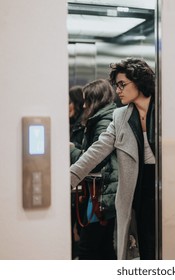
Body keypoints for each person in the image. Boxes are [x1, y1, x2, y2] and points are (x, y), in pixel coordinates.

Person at [70, 57, 156, 260]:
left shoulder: (165, 111)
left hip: (164, 188)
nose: (118, 90)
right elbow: (97, 149)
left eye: (122, 84)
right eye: (116, 85)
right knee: (143, 247)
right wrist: (71, 176)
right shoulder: (120, 116)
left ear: (139, 81)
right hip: (136, 191)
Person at [70, 79, 118, 260]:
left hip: (101, 193)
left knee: (88, 248)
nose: (83, 105)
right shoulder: (104, 118)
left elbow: (96, 161)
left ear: (95, 100)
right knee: (103, 248)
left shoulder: (103, 121)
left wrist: (72, 150)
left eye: (87, 100)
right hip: (102, 192)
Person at [69, 85, 85, 259]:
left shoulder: (82, 123)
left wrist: (71, 148)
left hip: (81, 184)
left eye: (70, 102)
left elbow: (85, 154)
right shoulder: (72, 122)